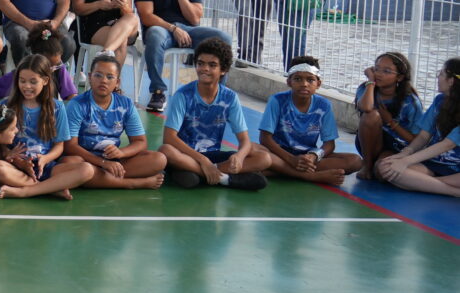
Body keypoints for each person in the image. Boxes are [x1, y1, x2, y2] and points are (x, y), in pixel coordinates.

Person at [134, 0, 233, 114]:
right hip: (161, 29)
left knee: (224, 39)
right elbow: (146, 17)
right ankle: (158, 92)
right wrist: (173, 29)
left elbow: (194, 19)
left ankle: (216, 92)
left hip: (188, 32)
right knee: (155, 33)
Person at [160, 37, 271, 189]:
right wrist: (203, 161)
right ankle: (224, 178)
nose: (205, 69)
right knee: (166, 151)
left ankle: (208, 174)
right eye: (200, 63)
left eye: (212, 65)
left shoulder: (230, 97)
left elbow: (244, 140)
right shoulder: (183, 95)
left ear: (223, 70)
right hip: (187, 155)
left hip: (213, 155)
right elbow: (169, 138)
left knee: (264, 158)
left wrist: (239, 157)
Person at [65, 54, 166, 189]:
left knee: (158, 159)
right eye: (98, 75)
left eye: (110, 77)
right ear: (90, 77)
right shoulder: (77, 104)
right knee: (70, 163)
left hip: (114, 161)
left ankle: (97, 178)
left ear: (117, 82)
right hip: (86, 160)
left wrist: (121, 153)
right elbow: (70, 146)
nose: (103, 81)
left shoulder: (126, 104)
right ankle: (132, 183)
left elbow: (140, 142)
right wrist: (102, 163)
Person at [259, 58, 362, 186]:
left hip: (307, 157)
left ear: (318, 84)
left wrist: (313, 156)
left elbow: (329, 144)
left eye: (310, 80)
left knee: (355, 161)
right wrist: (291, 159)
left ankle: (279, 170)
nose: (304, 84)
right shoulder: (277, 100)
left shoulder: (323, 105)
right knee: (253, 150)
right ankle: (307, 174)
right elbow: (265, 138)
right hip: (279, 154)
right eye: (297, 79)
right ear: (289, 82)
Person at [3, 54, 90, 190]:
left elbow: (59, 146)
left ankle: (29, 189)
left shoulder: (57, 107)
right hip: (15, 165)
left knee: (86, 169)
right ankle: (48, 188)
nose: (27, 86)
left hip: (45, 166)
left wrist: (45, 159)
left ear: (45, 81)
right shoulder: (6, 106)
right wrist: (10, 155)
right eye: (22, 81)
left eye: (33, 82)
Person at [377, 57, 460, 197]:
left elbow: (447, 145)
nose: (437, 77)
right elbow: (423, 136)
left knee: (398, 175)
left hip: (457, 169)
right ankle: (452, 190)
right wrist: (405, 154)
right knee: (386, 168)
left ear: (451, 81)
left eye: (440, 74)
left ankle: (427, 184)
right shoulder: (439, 101)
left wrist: (406, 162)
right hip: (434, 162)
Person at [353, 50, 423, 178]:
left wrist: (391, 122)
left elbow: (415, 140)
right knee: (370, 116)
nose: (379, 74)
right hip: (369, 143)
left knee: (382, 171)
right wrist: (371, 81)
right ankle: (367, 165)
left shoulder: (410, 102)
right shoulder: (366, 88)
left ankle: (376, 166)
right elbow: (366, 107)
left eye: (386, 71)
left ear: (399, 77)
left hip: (397, 147)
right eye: (376, 69)